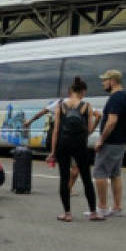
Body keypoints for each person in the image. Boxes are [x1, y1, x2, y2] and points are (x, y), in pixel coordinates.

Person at [48, 77, 101, 222]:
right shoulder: (87, 106)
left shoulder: (61, 105)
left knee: (64, 179)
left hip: (63, 144)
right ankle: (93, 212)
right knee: (86, 178)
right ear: (82, 91)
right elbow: (89, 130)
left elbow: (56, 130)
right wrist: (98, 120)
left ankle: (67, 213)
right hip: (80, 144)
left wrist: (53, 152)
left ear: (72, 91)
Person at [93, 69, 126, 218]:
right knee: (115, 174)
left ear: (112, 81)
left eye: (104, 80)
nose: (103, 83)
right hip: (122, 140)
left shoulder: (116, 98)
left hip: (111, 141)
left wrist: (101, 139)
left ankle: (102, 208)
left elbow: (112, 121)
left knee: (100, 173)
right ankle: (117, 208)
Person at [24, 98, 81, 194]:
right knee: (72, 167)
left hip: (66, 139)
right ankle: (68, 188)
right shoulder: (66, 103)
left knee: (73, 168)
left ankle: (67, 188)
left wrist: (29, 122)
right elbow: (43, 113)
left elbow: (42, 113)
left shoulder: (68, 103)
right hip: (63, 139)